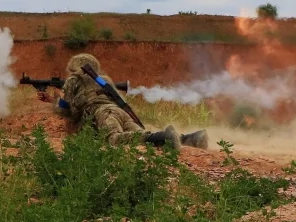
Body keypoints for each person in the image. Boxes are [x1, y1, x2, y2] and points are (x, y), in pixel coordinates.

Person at [37, 53, 209, 150]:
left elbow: (65, 110)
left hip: (102, 113)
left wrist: (54, 100)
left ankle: (164, 137)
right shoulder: (104, 79)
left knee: (114, 139)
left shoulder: (73, 80)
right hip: (120, 111)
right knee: (142, 134)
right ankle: (191, 138)